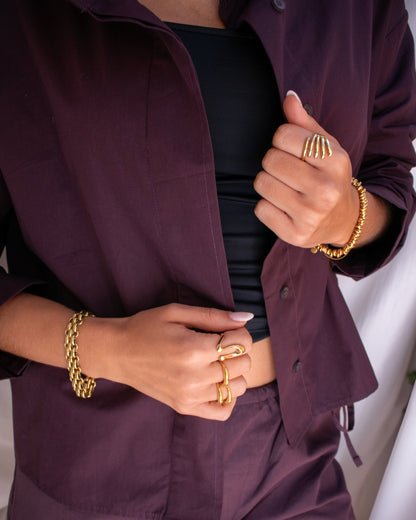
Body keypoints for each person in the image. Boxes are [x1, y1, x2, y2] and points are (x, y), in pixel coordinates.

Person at [0, 0, 415, 518]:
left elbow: (389, 174)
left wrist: (345, 215)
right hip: (99, 461)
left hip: (293, 461)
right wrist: (108, 348)